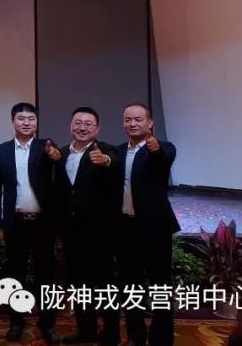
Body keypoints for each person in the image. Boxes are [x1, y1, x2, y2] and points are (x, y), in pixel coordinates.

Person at [0, 102, 62, 344]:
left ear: (37, 122)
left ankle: (47, 324)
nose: (26, 122)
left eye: (31, 118)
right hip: (15, 223)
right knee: (15, 275)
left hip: (43, 223)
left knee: (46, 275)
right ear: (13, 122)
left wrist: (55, 158)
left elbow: (56, 168)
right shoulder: (0, 151)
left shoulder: (46, 148)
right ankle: (16, 322)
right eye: (21, 118)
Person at [108, 103, 180, 346]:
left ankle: (161, 338)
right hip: (125, 229)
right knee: (130, 285)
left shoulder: (163, 148)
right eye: (128, 119)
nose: (132, 124)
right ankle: (135, 336)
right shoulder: (117, 152)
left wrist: (155, 148)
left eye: (138, 119)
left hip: (156, 229)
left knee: (161, 286)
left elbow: (162, 158)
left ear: (150, 123)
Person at [54, 107, 118, 346]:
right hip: (71, 231)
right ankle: (86, 330)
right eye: (78, 123)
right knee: (79, 284)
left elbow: (116, 163)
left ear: (97, 128)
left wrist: (106, 161)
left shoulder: (107, 150)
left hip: (100, 232)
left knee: (104, 284)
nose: (82, 127)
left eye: (88, 124)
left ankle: (111, 333)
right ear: (70, 125)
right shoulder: (61, 154)